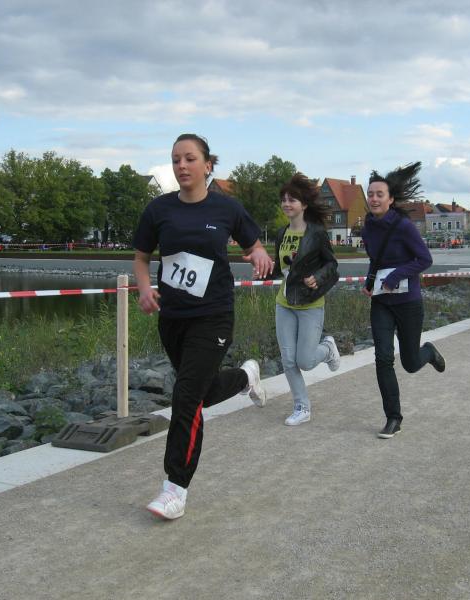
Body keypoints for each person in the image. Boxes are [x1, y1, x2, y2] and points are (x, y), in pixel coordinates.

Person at [132, 133, 274, 521]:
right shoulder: (158, 210)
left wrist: (259, 254)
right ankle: (245, 377)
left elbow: (254, 244)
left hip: (213, 316)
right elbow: (141, 257)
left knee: (186, 397)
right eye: (175, 159)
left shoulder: (226, 208)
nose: (182, 165)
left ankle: (174, 489)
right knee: (202, 393)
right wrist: (144, 290)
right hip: (172, 319)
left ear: (208, 165)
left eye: (190, 158)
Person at [362, 162, 446, 439]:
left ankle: (428, 352)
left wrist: (397, 275)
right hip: (382, 302)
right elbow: (376, 260)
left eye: (379, 194)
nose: (374, 198)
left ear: (390, 199)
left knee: (410, 363)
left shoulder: (404, 226)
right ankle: (393, 418)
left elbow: (425, 259)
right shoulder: (368, 227)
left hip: (408, 302)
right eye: (370, 194)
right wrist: (370, 283)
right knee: (383, 358)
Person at [270, 173, 340, 426]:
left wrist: (317, 278)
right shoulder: (281, 233)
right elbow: (281, 269)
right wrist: (262, 269)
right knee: (288, 360)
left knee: (306, 361)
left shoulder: (316, 234)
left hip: (310, 304)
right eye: (284, 200)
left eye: (292, 200)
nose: (286, 204)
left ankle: (328, 348)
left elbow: (331, 264)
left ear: (304, 205)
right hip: (284, 303)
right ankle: (302, 407)